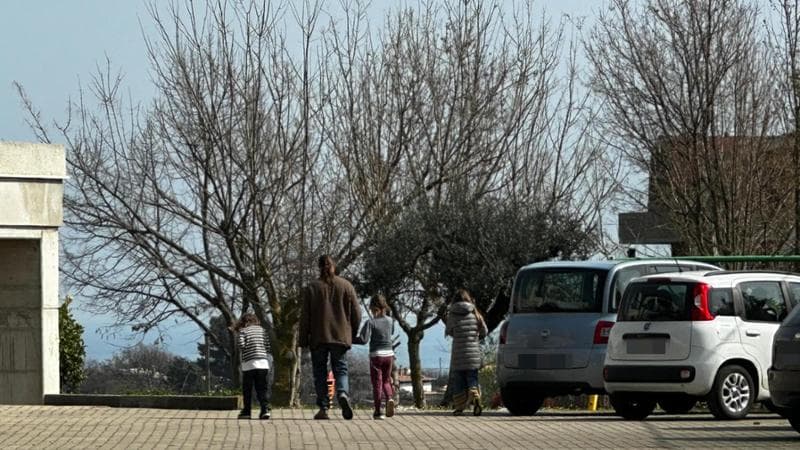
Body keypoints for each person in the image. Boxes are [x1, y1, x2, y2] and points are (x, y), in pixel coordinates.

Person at [299, 255, 362, 420]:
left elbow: (305, 317)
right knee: (340, 368)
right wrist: (352, 333)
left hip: (318, 337)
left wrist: (303, 339)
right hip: (340, 336)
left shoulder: (312, 288)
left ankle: (323, 408)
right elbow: (357, 313)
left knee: (320, 373)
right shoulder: (346, 286)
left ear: (319, 267)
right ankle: (342, 393)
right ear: (334, 266)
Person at [353, 294, 397, 420]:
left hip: (376, 356)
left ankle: (378, 411)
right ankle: (389, 398)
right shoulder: (390, 321)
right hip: (389, 355)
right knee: (386, 380)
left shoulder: (370, 322)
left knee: (377, 383)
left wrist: (349, 339)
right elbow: (391, 332)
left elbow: (363, 339)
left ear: (373, 308)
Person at [445, 288, 488, 416]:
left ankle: (459, 407)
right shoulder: (475, 313)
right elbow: (484, 331)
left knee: (458, 381)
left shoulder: (452, 314)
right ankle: (474, 393)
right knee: (472, 378)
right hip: (473, 354)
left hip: (458, 354)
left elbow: (449, 331)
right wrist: (475, 338)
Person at [234, 312, 273, 420]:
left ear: (244, 322)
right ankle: (265, 409)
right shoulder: (262, 330)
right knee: (262, 388)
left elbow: (241, 345)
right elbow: (268, 347)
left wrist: (245, 352)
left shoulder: (243, 331)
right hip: (263, 364)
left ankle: (247, 411)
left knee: (247, 389)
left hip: (249, 364)